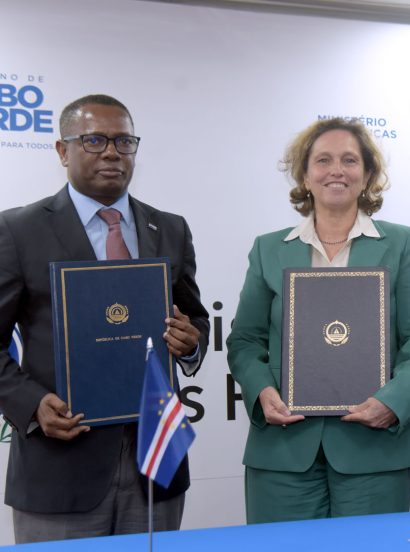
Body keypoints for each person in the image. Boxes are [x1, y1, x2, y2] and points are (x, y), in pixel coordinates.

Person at [0, 94, 210, 543]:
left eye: (124, 141)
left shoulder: (170, 228)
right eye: (94, 140)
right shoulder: (17, 230)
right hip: (59, 468)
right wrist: (31, 404)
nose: (112, 153)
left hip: (156, 466)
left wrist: (191, 342)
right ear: (63, 151)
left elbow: (194, 317)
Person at [227, 117, 410, 523]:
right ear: (305, 176)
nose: (336, 170)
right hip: (283, 446)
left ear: (368, 175)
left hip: (373, 445)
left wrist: (392, 401)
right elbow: (245, 340)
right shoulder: (268, 249)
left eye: (350, 160)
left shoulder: (402, 243)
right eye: (323, 160)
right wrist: (261, 392)